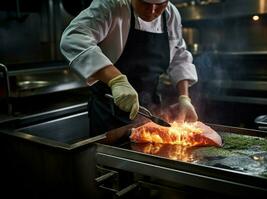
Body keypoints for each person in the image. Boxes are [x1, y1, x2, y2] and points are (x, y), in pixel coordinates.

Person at [60, 0, 198, 136]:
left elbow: (179, 57)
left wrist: (184, 98)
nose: (152, 10)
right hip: (109, 114)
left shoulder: (171, 14)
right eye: (145, 3)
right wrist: (116, 80)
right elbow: (73, 39)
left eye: (160, 5)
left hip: (150, 112)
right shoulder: (110, 5)